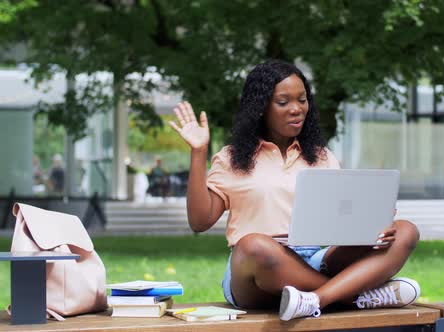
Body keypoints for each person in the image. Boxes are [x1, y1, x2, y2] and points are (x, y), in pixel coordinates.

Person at [169, 60, 421, 321]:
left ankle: (317, 299)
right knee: (254, 244)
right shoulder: (231, 159)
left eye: (302, 100)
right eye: (283, 102)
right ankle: (354, 296)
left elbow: (341, 218)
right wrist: (198, 153)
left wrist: (372, 223)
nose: (296, 109)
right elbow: (199, 221)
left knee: (405, 231)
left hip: (318, 258)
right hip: (258, 270)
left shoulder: (323, 157)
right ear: (261, 107)